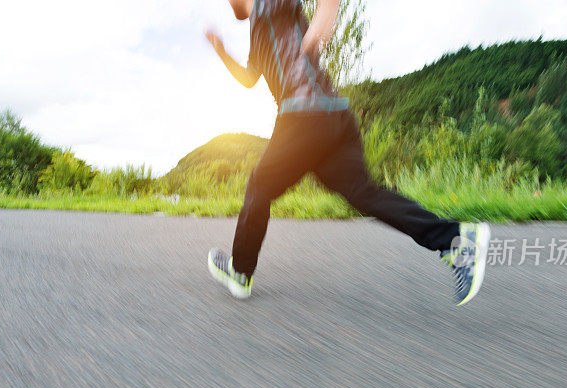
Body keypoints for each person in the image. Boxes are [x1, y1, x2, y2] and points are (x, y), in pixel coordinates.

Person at [205, 0, 491, 306]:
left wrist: (321, 26)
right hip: (332, 118)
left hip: (305, 115)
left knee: (259, 187)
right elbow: (249, 79)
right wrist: (221, 51)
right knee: (362, 193)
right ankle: (456, 240)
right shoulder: (258, 30)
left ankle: (241, 272)